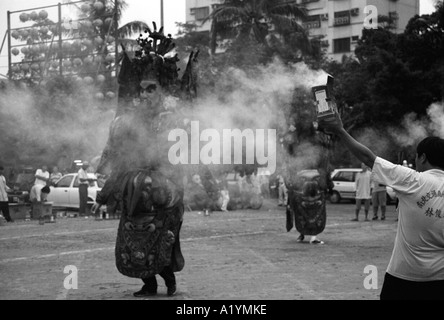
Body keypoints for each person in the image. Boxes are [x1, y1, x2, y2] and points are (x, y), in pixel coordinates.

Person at [318, 111, 444, 300]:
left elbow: (369, 159)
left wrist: (341, 131)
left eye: (417, 158)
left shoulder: (413, 180)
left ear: (423, 158)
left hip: (404, 277)